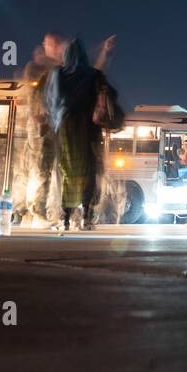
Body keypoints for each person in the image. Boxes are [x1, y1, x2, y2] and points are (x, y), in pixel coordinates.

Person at [46, 36, 118, 230]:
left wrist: (56, 121)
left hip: (67, 129)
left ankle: (65, 218)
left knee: (67, 172)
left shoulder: (58, 74)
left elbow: (52, 101)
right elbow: (105, 91)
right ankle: (86, 216)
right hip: (89, 129)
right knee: (88, 172)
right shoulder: (93, 75)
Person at [20, 41, 60, 228]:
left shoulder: (53, 71)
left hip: (49, 131)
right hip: (41, 132)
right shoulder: (37, 70)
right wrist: (40, 114)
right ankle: (37, 212)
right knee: (41, 171)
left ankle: (39, 212)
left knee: (46, 172)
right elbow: (34, 96)